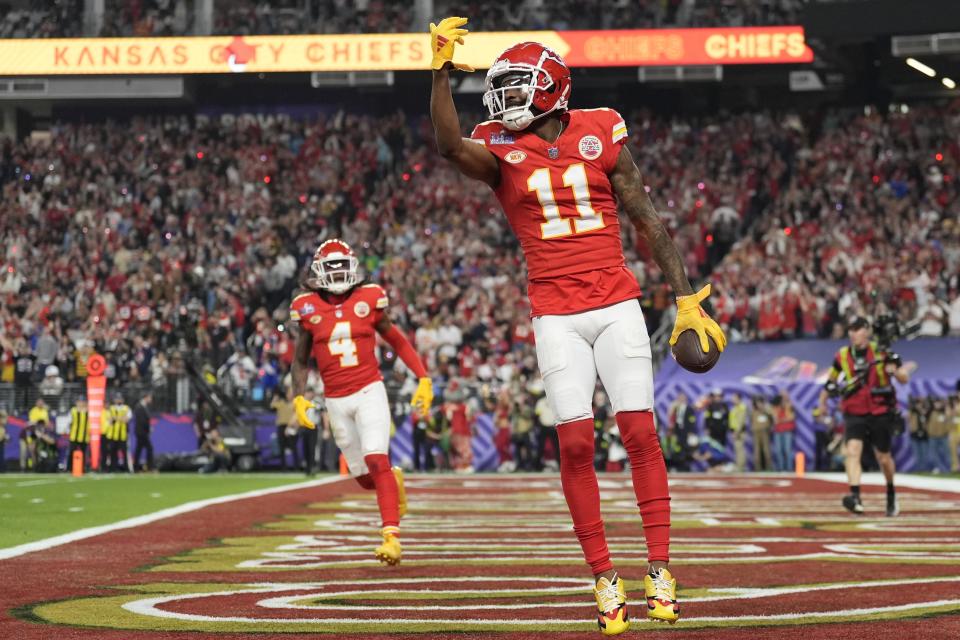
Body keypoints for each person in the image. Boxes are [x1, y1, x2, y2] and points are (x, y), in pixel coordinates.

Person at [429, 18, 726, 631]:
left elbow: (646, 216)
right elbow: (449, 146)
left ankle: (661, 568)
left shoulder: (601, 129)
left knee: (641, 435)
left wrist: (686, 297)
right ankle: (602, 577)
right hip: (555, 312)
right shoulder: (498, 149)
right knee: (575, 444)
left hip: (617, 303)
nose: (502, 100)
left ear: (550, 89)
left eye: (515, 88)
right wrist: (439, 75)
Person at [290, 239, 433, 566]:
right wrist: (298, 396)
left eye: (343, 266)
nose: (339, 273)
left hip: (370, 391)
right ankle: (392, 482)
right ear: (318, 272)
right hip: (335, 400)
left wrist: (422, 377)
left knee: (375, 459)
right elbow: (300, 360)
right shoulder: (307, 306)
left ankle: (391, 538)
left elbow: (396, 339)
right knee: (363, 476)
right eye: (332, 267)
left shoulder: (369, 298)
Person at [818, 316, 909, 517]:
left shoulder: (882, 350)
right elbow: (831, 380)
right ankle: (855, 496)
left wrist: (894, 371)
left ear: (867, 331)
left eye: (858, 329)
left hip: (879, 409)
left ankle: (891, 493)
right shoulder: (842, 355)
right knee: (852, 451)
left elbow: (904, 377)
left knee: (883, 458)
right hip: (854, 410)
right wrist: (822, 402)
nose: (853, 333)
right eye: (851, 329)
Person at [105, 394, 131, 472]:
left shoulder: (127, 408)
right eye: (117, 399)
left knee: (124, 453)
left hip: (123, 435)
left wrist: (115, 418)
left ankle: (126, 469)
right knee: (113, 453)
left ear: (122, 400)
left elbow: (126, 419)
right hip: (113, 435)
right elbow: (109, 420)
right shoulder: (111, 408)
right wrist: (121, 418)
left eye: (120, 399)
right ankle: (113, 468)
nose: (118, 400)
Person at [771, 391, 796, 472]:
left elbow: (791, 417)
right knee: (779, 450)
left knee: (787, 450)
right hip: (778, 430)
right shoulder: (775, 406)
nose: (783, 398)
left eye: (785, 396)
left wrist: (782, 419)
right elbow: (775, 420)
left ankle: (789, 468)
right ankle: (781, 468)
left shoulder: (790, 405)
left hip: (787, 430)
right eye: (782, 396)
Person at [750, 395, 774, 471]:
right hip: (756, 432)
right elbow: (751, 420)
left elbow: (772, 418)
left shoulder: (767, 410)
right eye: (757, 403)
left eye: (760, 403)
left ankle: (769, 467)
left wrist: (765, 409)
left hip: (765, 432)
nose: (759, 404)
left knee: (766, 450)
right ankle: (757, 468)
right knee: (757, 451)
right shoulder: (753, 411)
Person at [68, 397, 92, 471]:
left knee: (83, 453)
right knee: (72, 452)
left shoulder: (88, 411)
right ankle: (70, 468)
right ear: (77, 402)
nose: (81, 403)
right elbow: (69, 422)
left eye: (82, 401)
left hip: (84, 436)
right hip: (74, 435)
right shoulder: (73, 410)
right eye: (79, 401)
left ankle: (82, 468)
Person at [132, 393, 154, 472]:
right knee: (149, 448)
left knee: (139, 449)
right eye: (150, 398)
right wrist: (148, 429)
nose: (151, 400)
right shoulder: (139, 407)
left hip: (141, 432)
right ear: (146, 397)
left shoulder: (143, 406)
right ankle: (149, 467)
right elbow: (142, 421)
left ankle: (136, 468)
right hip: (141, 432)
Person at [728, 392, 748, 472]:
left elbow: (740, 422)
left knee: (740, 450)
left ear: (738, 398)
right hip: (735, 431)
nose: (732, 399)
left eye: (734, 398)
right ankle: (739, 466)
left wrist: (737, 432)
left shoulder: (741, 407)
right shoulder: (735, 408)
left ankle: (741, 467)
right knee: (737, 449)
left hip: (739, 432)